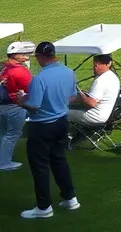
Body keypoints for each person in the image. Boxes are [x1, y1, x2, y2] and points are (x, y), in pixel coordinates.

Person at [14, 42, 79, 218]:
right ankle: (70, 198)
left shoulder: (40, 78)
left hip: (42, 126)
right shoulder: (68, 72)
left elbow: (34, 105)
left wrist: (21, 101)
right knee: (59, 160)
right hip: (61, 122)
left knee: (40, 166)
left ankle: (44, 208)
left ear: (40, 57)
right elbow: (72, 97)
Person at [0, 40, 35, 171]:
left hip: (2, 104)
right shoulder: (20, 71)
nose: (26, 54)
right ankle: (4, 162)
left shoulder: (4, 67)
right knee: (12, 133)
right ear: (14, 55)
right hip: (15, 106)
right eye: (22, 53)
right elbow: (32, 87)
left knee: (3, 133)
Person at [66, 54, 119, 130]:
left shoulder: (101, 80)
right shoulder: (113, 76)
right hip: (105, 114)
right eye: (95, 63)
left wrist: (81, 96)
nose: (95, 66)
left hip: (93, 116)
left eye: (98, 64)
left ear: (108, 64)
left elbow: (91, 103)